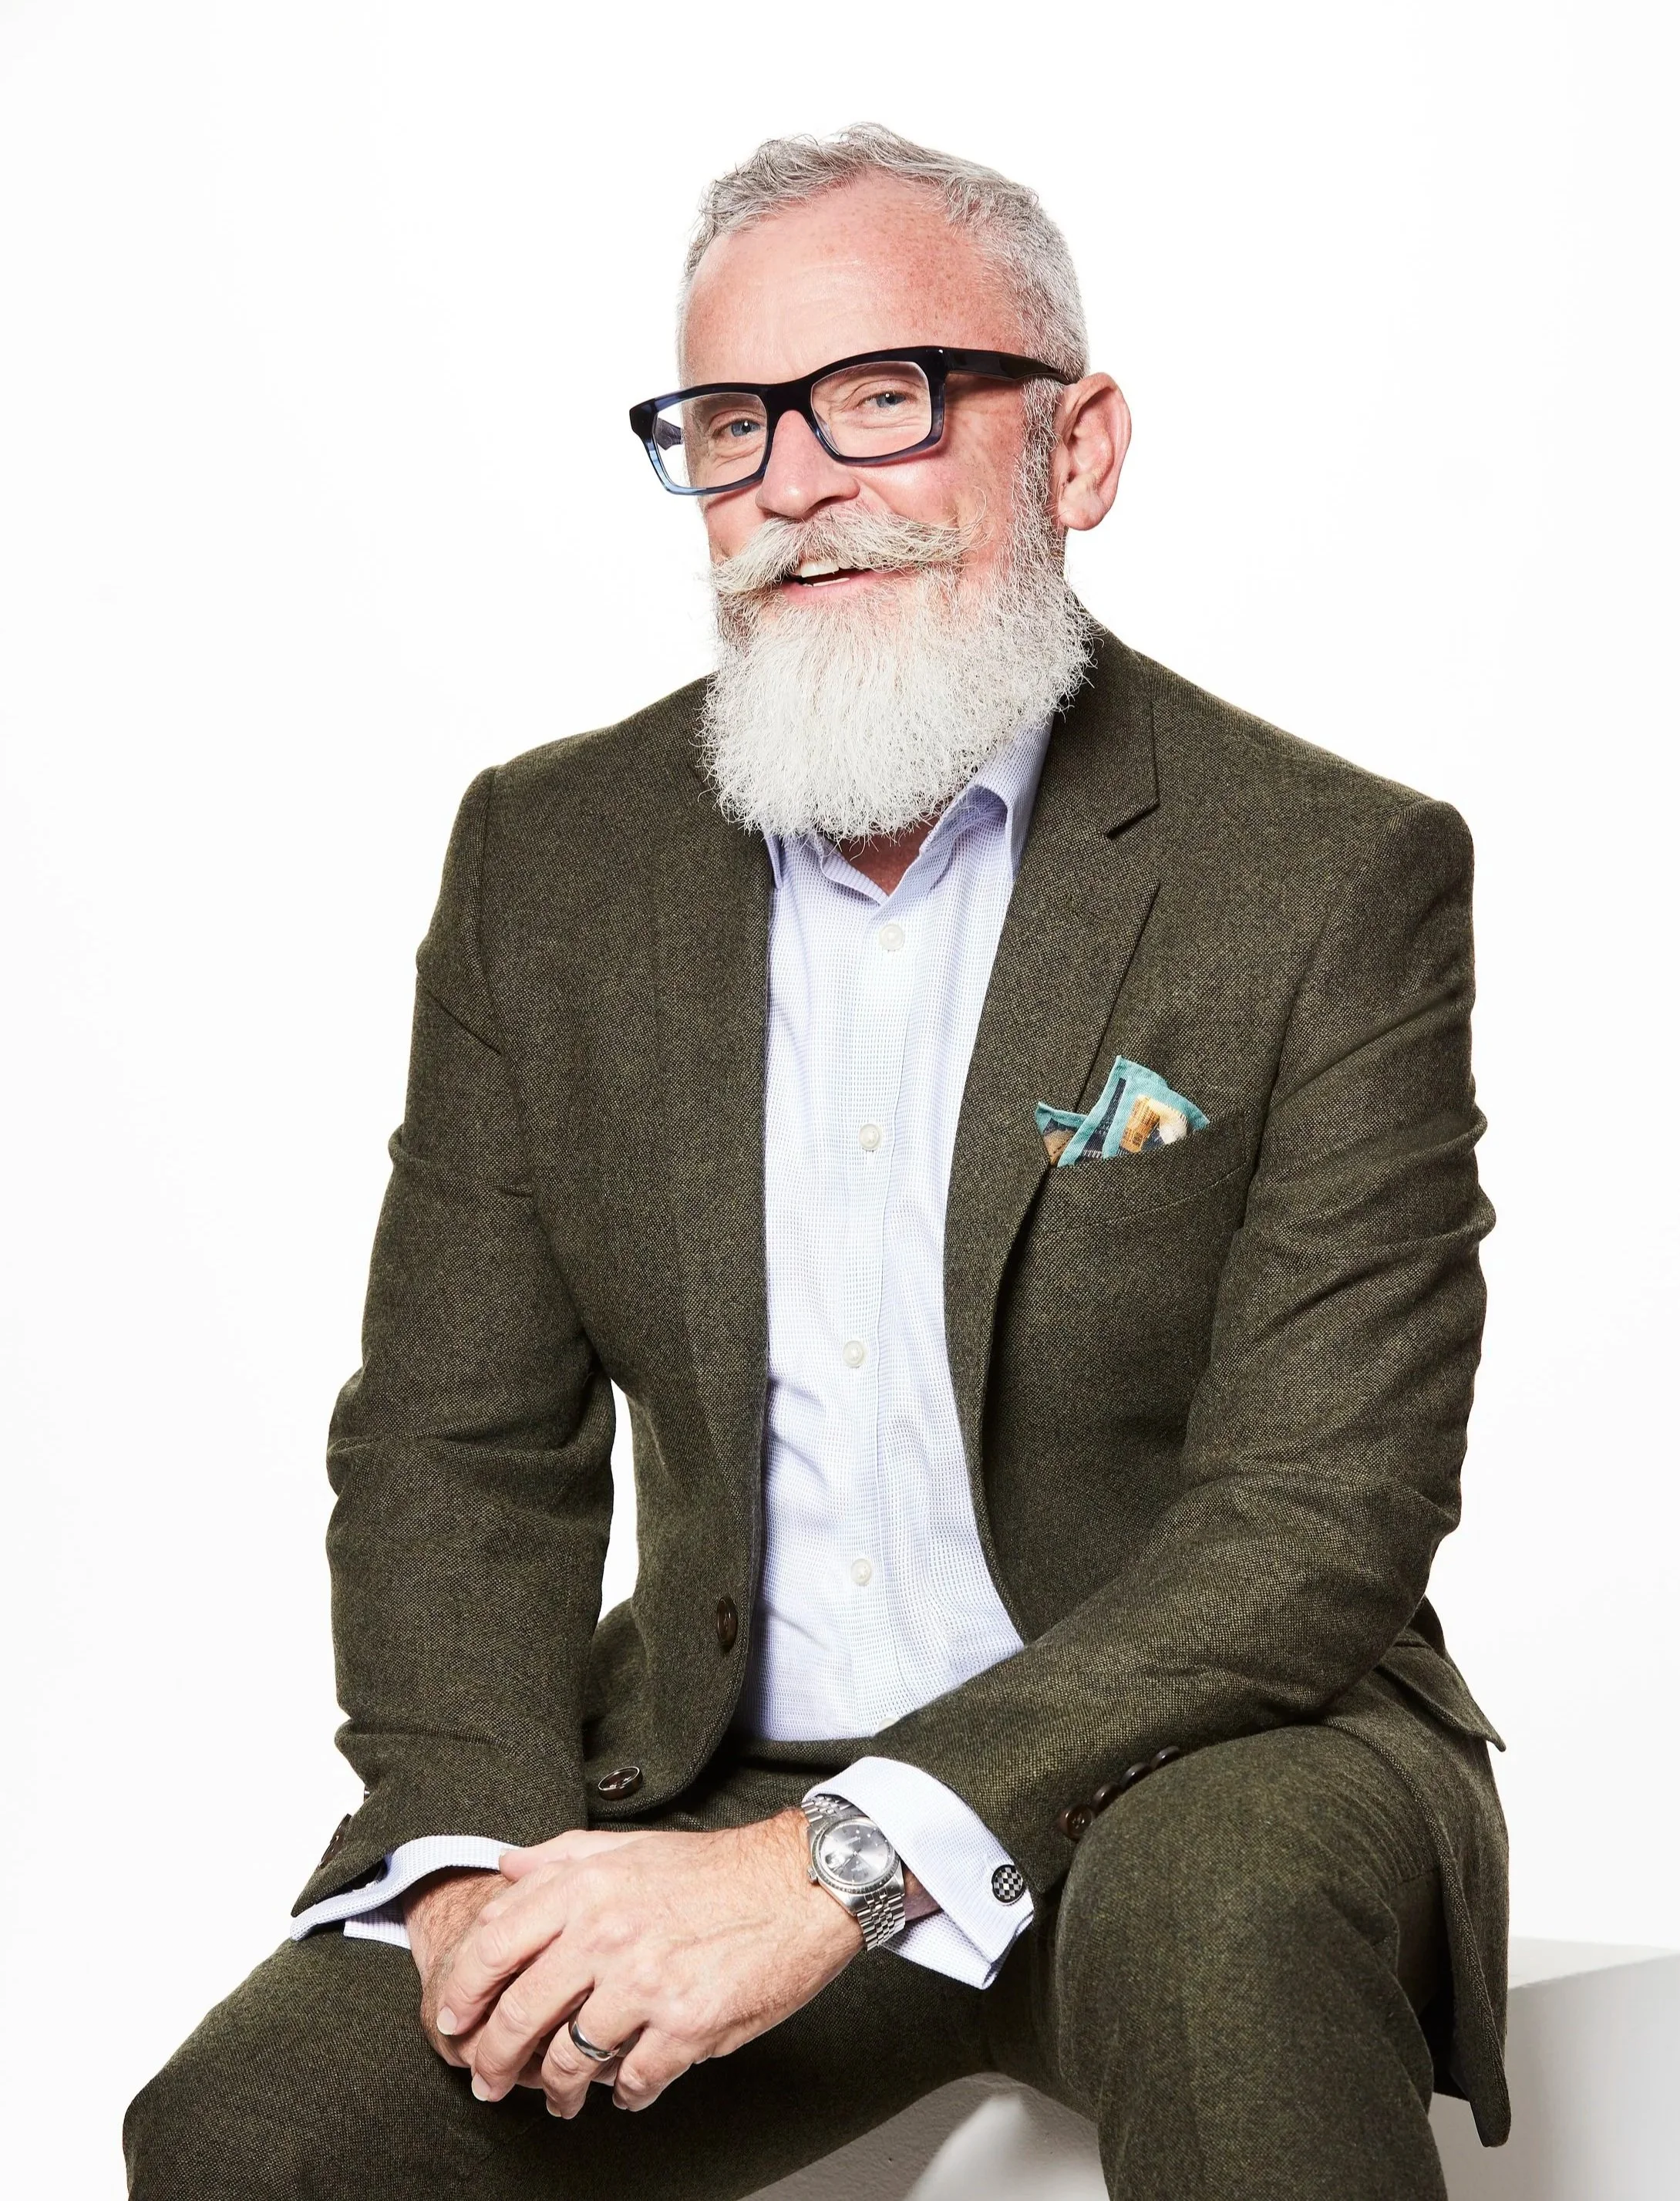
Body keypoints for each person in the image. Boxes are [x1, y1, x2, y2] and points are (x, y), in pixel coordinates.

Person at [125, 123, 1510, 2201]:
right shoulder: (554, 860)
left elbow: (1317, 1519)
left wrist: (843, 1862)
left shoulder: (1320, 873)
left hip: (1213, 1759)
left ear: (1079, 445)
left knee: (1224, 1937)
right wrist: (478, 1859)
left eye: (884, 397)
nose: (794, 481)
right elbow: (455, 1439)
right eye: (728, 422)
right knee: (253, 2127)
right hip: (709, 1764)